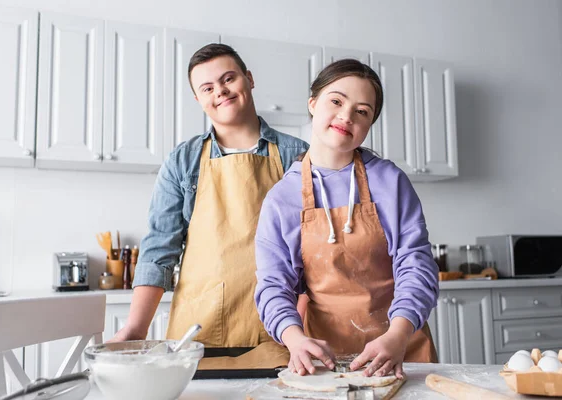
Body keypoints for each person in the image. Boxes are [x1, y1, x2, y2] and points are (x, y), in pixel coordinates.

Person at [110, 44, 309, 348]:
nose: (220, 91)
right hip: (198, 329)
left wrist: (301, 323)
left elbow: (316, 250)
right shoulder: (182, 161)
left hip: (285, 327)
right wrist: (136, 329)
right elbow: (159, 249)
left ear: (249, 79)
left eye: (229, 79)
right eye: (207, 87)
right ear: (198, 99)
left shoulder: (297, 155)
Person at [254, 59, 438, 378]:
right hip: (325, 361)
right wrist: (293, 338)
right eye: (336, 101)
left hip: (401, 351)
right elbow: (273, 285)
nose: (346, 116)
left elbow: (416, 265)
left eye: (362, 111)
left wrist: (398, 335)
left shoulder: (390, 182)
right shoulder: (282, 198)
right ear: (313, 103)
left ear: (368, 126)